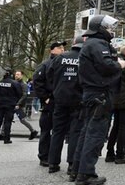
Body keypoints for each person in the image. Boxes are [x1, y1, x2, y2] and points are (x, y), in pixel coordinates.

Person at [71, 14, 124, 185]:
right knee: (95, 135)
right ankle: (86, 174)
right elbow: (106, 66)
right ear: (100, 28)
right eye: (109, 28)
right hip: (100, 94)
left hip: (92, 93)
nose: (111, 31)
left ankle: (77, 170)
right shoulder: (98, 44)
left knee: (87, 132)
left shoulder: (90, 43)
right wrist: (120, 65)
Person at [47, 36, 84, 174]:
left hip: (60, 99)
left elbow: (49, 75)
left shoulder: (59, 58)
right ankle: (72, 164)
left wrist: (56, 89)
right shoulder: (85, 58)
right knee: (75, 132)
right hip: (78, 100)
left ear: (73, 44)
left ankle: (53, 163)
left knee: (57, 131)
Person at [33, 40, 66, 167]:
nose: (62, 49)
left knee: (57, 131)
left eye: (63, 48)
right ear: (52, 50)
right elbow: (37, 81)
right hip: (50, 102)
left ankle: (52, 157)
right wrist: (45, 98)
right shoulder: (46, 64)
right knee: (46, 131)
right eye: (59, 48)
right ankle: (44, 156)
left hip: (58, 101)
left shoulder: (62, 62)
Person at [0, 69, 22, 144]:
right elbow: (19, 94)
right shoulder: (14, 83)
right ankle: (6, 139)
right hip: (10, 105)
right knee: (8, 122)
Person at [13, 70, 38, 140]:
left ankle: (33, 131)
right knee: (7, 117)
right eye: (16, 74)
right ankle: (2, 133)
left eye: (18, 74)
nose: (16, 75)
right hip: (13, 103)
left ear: (22, 75)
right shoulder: (14, 83)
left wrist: (18, 104)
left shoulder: (24, 84)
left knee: (22, 120)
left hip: (19, 105)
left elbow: (24, 95)